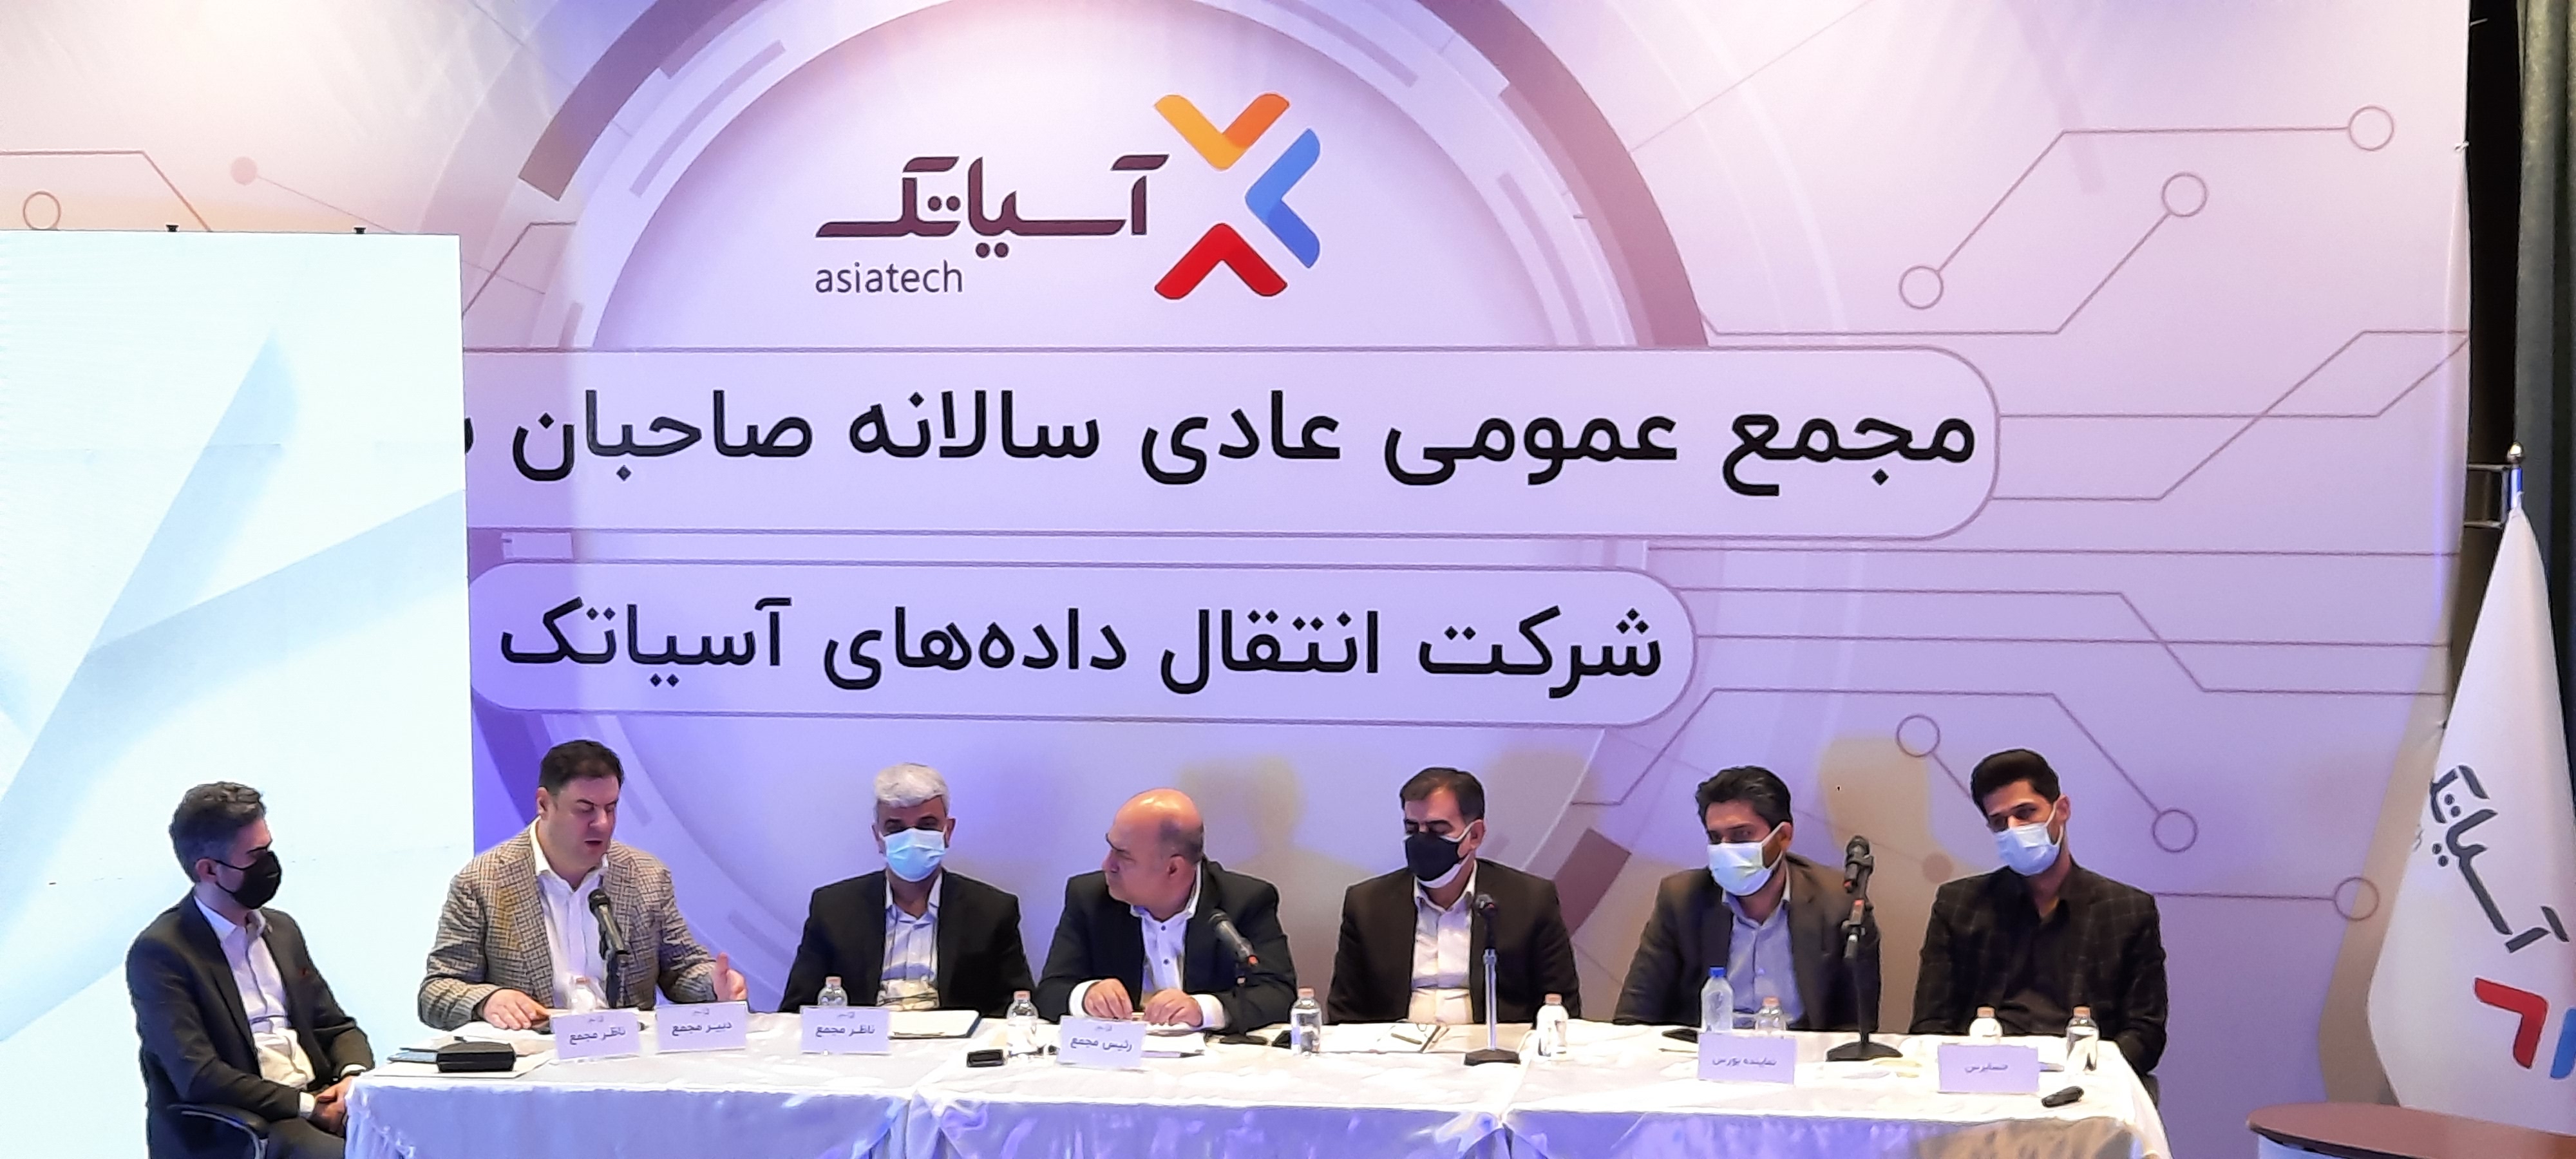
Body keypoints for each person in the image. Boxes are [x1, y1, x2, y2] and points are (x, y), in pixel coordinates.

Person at [418, 739, 746, 1030]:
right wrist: (488, 1000)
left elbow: (681, 968)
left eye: (611, 808)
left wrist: (714, 986)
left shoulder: (646, 876)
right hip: (537, 1063)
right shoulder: (482, 882)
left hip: (627, 1059)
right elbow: (436, 992)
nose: (602, 824)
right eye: (585, 810)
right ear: (544, 804)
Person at [127, 783, 372, 1159]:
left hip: (320, 1098)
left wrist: (353, 1079)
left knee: (433, 1139)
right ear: (209, 870)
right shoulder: (162, 952)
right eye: (255, 855)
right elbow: (199, 1075)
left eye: (268, 849)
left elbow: (334, 1026)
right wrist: (310, 1107)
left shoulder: (282, 930)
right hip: (244, 1125)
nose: (269, 865)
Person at [1912, 748, 2168, 1075]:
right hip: (1982, 1079)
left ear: (2061, 810)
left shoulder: (2127, 911)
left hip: (2084, 1082)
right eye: (2000, 822)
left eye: (2026, 813)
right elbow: (1930, 1026)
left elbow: (2145, 1033)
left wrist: (2088, 1072)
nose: (2014, 829)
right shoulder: (1959, 905)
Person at [1615, 766, 1880, 1029]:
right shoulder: (1682, 899)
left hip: (1799, 1051)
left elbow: (1855, 1027)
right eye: (1715, 838)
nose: (1725, 849)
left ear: (1783, 837)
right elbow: (1634, 1018)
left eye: (1741, 835)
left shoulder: (1840, 903)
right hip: (1704, 1050)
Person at [1326, 767, 1580, 1024]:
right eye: (1412, 829)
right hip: (1396, 1046)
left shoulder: (1530, 901)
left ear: (1475, 835)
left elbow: (1561, 1007)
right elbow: (1344, 1014)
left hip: (1493, 1046)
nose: (1422, 840)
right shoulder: (1367, 904)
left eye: (1437, 830)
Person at [777, 762, 1034, 1014]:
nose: (912, 838)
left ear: (948, 831)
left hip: (953, 1041)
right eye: (896, 828)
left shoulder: (992, 911)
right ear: (878, 837)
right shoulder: (833, 909)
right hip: (865, 1040)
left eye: (927, 825)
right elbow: (796, 1012)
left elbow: (1017, 1010)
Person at [1036, 788, 1296, 1029]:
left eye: (1123, 855)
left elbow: (1278, 995)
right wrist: (1086, 996)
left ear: (1173, 868)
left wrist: (1202, 1009)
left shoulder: (1244, 901)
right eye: (1110, 848)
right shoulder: (1090, 898)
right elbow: (1049, 992)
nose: (1107, 865)